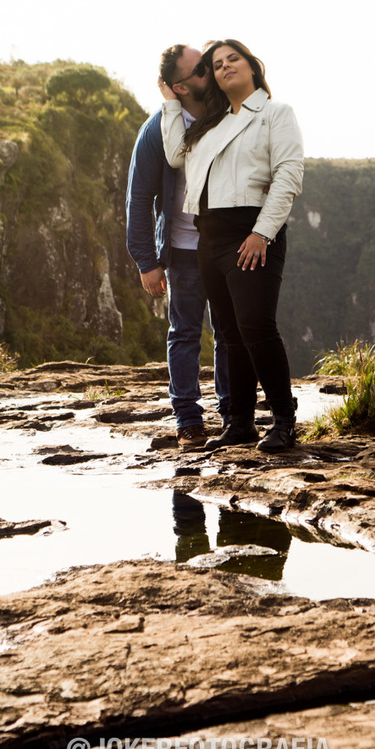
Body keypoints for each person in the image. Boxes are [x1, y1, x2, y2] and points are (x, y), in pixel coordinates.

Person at [160, 39, 303, 452]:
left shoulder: (276, 114)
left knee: (257, 327)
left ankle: (284, 421)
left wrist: (262, 233)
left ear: (253, 66)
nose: (224, 67)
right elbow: (176, 155)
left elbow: (288, 175)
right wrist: (170, 102)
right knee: (229, 332)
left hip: (251, 232)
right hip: (210, 236)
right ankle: (240, 423)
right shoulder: (212, 123)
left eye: (233, 59)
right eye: (217, 64)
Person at [126, 44, 230, 450]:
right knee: (185, 333)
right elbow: (138, 198)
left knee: (230, 332)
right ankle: (188, 421)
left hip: (226, 245)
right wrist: (146, 261)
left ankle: (232, 414)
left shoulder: (229, 114)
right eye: (201, 69)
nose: (211, 71)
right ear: (181, 87)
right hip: (184, 249)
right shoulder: (156, 130)